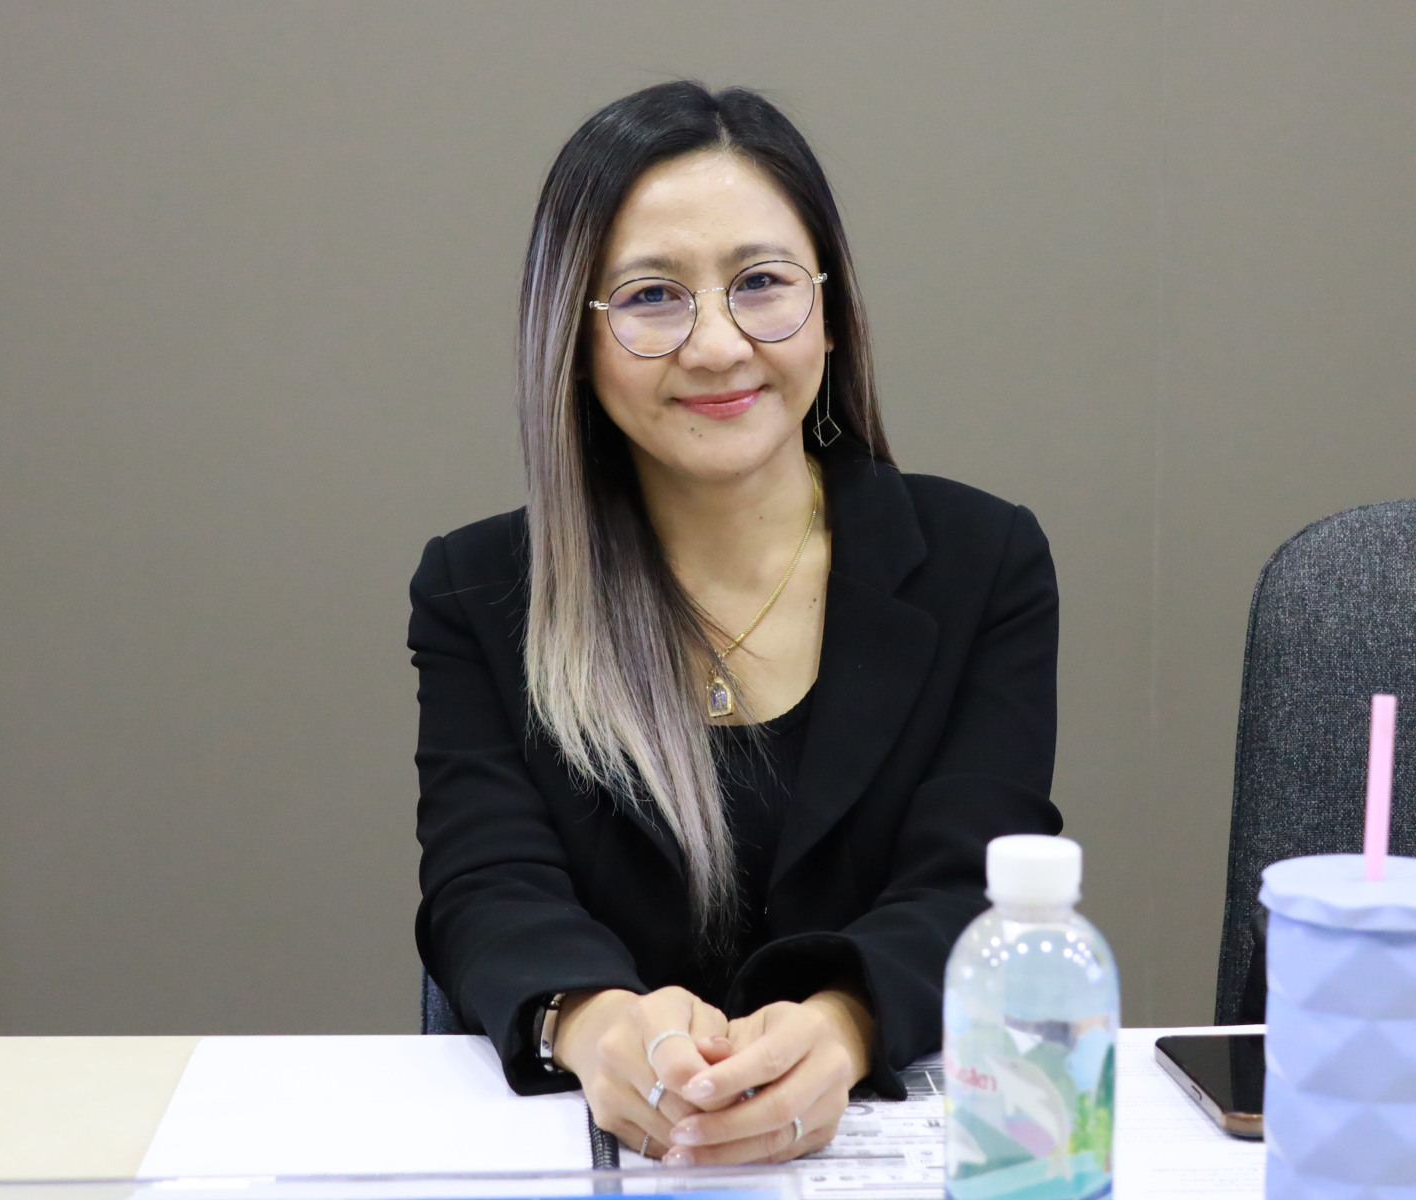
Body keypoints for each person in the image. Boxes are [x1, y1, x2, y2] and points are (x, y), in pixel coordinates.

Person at [410, 81, 1061, 1166]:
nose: (717, 346)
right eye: (651, 297)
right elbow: (487, 884)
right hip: (602, 1151)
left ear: (830, 311)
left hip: (886, 1149)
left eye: (761, 283)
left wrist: (844, 1026)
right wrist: (597, 1026)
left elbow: (972, 879)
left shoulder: (981, 561)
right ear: (574, 338)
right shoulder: (479, 589)